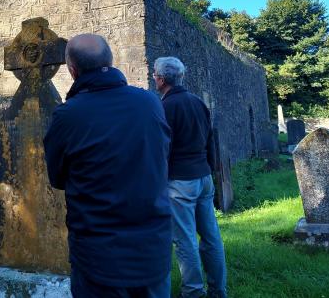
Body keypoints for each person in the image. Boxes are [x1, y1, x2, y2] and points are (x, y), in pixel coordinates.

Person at [43, 34, 173, 298]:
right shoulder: (150, 103)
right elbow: (161, 156)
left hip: (98, 255)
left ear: (72, 70)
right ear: (111, 62)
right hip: (151, 246)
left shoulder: (68, 115)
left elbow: (57, 178)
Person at [153, 57, 227, 298]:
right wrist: (211, 170)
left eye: (155, 75)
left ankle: (194, 293)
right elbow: (209, 140)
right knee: (211, 237)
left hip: (179, 182)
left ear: (162, 79)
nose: (154, 78)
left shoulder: (164, 107)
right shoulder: (197, 102)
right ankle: (218, 291)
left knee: (185, 241)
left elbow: (162, 149)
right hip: (203, 177)